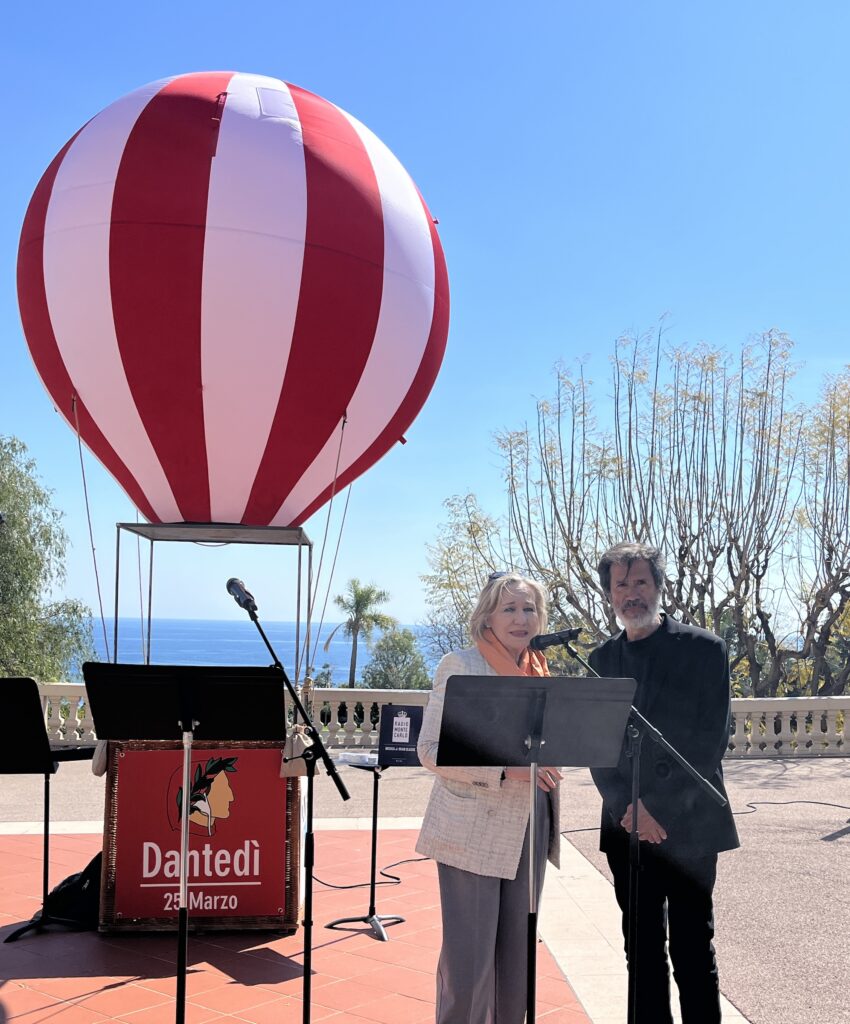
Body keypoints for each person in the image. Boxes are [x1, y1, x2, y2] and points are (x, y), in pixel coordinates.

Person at [588, 541, 739, 1024]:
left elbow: (708, 740)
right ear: (609, 594)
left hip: (691, 825)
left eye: (640, 582)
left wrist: (657, 809)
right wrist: (628, 807)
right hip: (627, 830)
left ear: (658, 586)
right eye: (620, 585)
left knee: (694, 949)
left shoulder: (705, 650)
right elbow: (597, 748)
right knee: (642, 951)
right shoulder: (601, 659)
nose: (631, 593)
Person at [416, 571, 562, 1024]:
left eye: (529, 609)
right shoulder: (461, 665)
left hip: (530, 825)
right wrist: (503, 771)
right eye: (510, 608)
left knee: (516, 961)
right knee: (469, 965)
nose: (522, 618)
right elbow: (431, 751)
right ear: (488, 616)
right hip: (471, 830)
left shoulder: (541, 672)